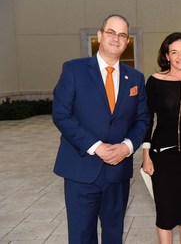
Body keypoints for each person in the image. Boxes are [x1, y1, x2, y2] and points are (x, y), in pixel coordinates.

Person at [52, 14, 149, 244]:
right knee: (81, 235)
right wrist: (96, 147)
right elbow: (61, 114)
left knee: (114, 234)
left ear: (127, 42)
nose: (116, 39)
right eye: (111, 32)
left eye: (122, 35)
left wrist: (126, 147)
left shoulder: (135, 78)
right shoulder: (74, 70)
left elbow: (143, 119)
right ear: (99, 36)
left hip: (118, 172)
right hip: (81, 169)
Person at [141, 32, 181, 244]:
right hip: (162, 156)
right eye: (174, 52)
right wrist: (146, 155)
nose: (179, 56)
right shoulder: (156, 81)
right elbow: (147, 118)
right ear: (167, 56)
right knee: (165, 211)